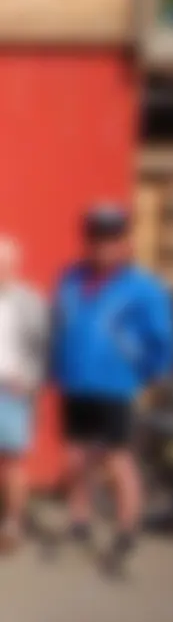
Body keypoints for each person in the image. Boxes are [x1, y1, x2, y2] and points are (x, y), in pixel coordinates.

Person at [48, 205, 173, 575]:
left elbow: (162, 341)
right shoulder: (71, 279)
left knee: (118, 460)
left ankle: (125, 533)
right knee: (76, 458)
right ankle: (79, 523)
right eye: (96, 238)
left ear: (123, 242)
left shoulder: (141, 288)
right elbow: (58, 327)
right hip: (75, 384)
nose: (103, 246)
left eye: (111, 238)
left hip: (116, 387)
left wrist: (150, 378)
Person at [0, 237, 47, 554]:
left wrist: (30, 380)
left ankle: (12, 524)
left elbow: (43, 347)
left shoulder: (28, 301)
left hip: (11, 391)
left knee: (12, 463)